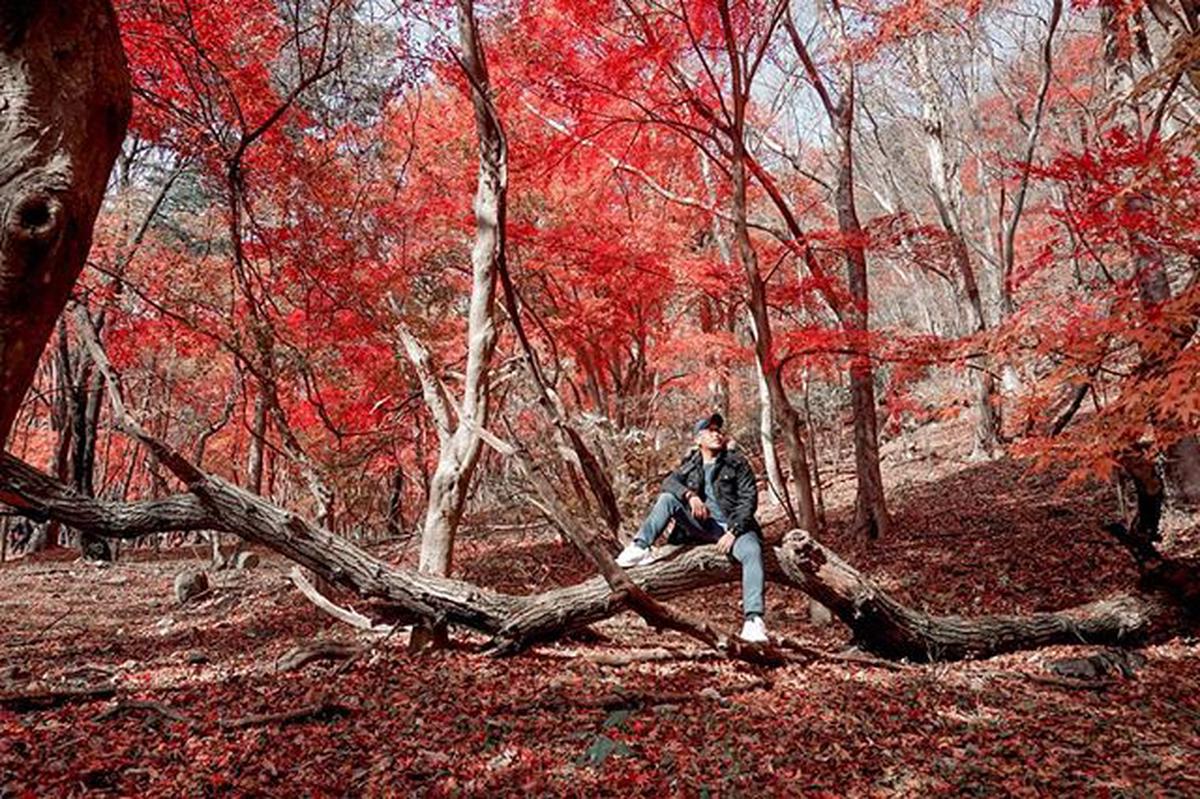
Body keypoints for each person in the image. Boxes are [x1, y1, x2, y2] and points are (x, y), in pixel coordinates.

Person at [616, 412, 768, 643]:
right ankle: (640, 547)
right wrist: (689, 496)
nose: (717, 434)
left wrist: (734, 532)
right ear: (698, 439)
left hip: (735, 529)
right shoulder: (692, 464)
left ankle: (753, 621)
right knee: (668, 498)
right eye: (711, 431)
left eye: (719, 430)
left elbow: (749, 500)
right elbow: (669, 482)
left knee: (752, 552)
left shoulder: (736, 462)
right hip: (702, 528)